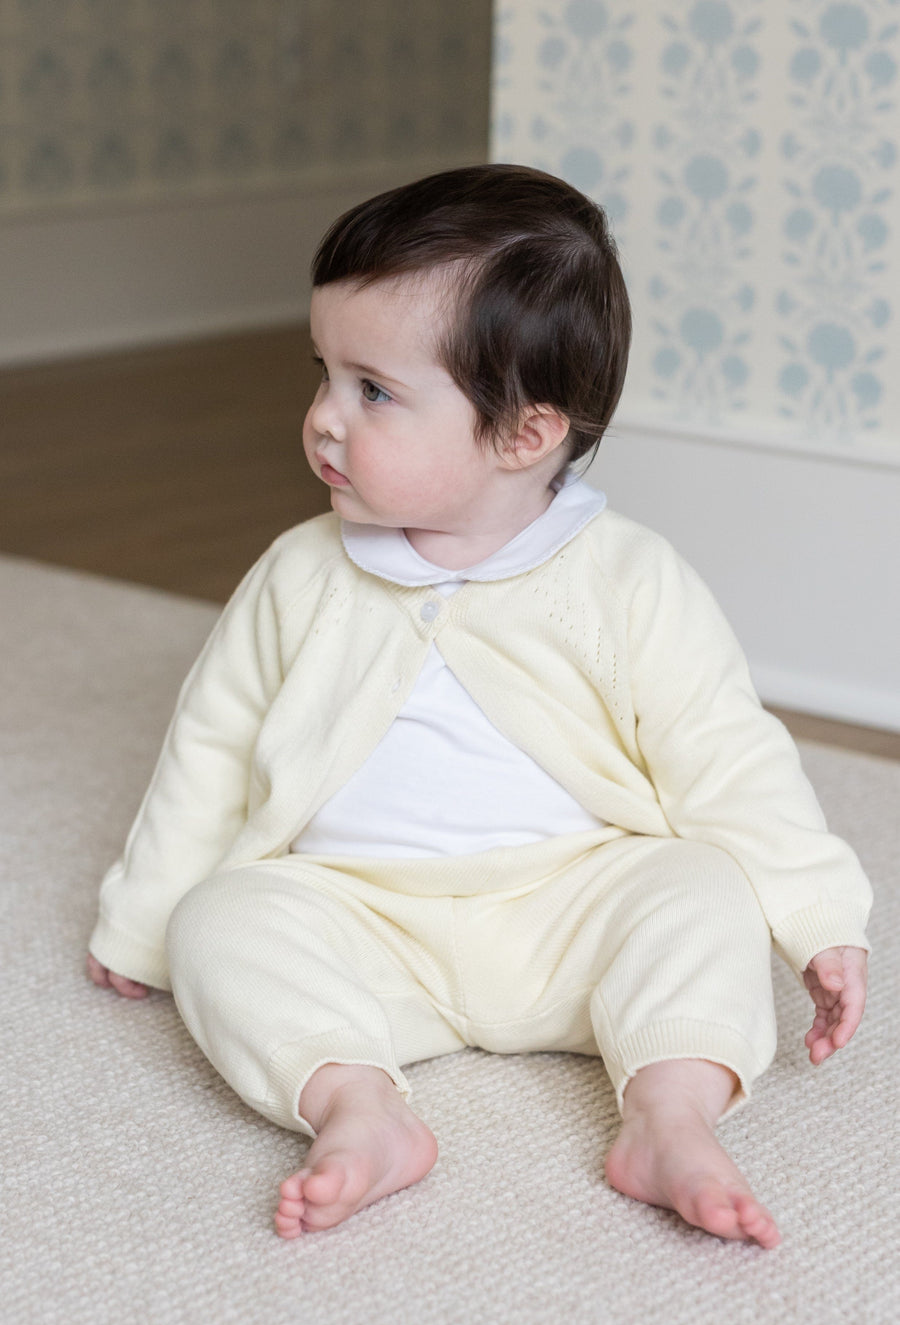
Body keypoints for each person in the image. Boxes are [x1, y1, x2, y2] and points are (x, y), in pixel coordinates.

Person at [87, 164, 871, 1249]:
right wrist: (144, 918)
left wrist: (819, 918)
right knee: (223, 921)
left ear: (524, 434)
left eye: (374, 391)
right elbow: (210, 749)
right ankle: (359, 1106)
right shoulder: (299, 573)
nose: (323, 419)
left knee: (700, 890)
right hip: (361, 915)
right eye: (324, 373)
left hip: (573, 910)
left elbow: (727, 754)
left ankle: (669, 1113)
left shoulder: (629, 582)